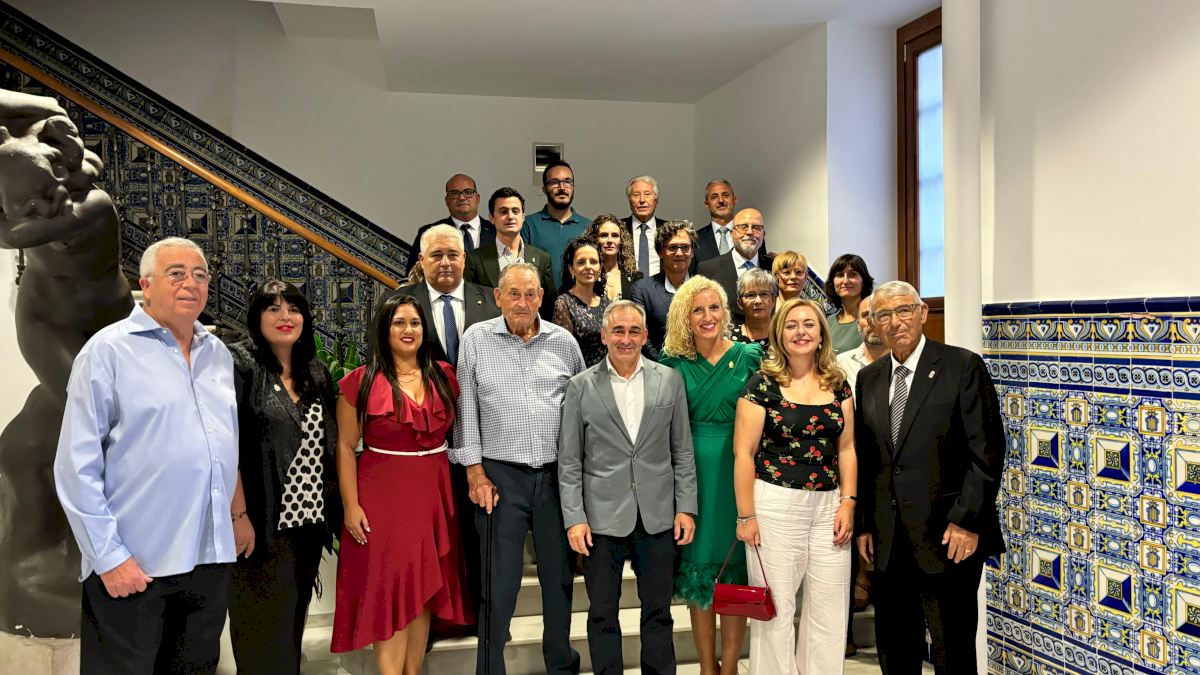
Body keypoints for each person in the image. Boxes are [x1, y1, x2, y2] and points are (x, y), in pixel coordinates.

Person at [54, 237, 237, 674]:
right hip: (135, 564)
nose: (190, 283)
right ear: (146, 285)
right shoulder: (108, 351)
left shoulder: (218, 354)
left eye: (200, 275)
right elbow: (76, 466)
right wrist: (108, 556)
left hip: (208, 562)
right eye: (176, 274)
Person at [854, 281, 1005, 674]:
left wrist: (967, 522)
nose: (895, 322)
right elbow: (869, 458)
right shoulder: (869, 378)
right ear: (873, 323)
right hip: (889, 539)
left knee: (952, 649)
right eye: (884, 315)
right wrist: (865, 524)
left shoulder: (962, 366)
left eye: (904, 310)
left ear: (922, 313)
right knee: (895, 648)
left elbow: (986, 452)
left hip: (948, 536)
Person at [453, 263, 586, 675]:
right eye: (514, 293)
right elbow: (465, 410)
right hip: (499, 478)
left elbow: (582, 410)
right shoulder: (476, 340)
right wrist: (475, 473)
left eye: (530, 294)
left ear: (541, 298)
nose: (522, 302)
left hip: (555, 478)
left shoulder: (564, 342)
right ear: (498, 297)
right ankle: (490, 669)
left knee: (558, 579)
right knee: (498, 583)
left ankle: (560, 664)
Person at [330, 294, 470, 674]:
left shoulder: (444, 376)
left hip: (433, 494)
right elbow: (345, 447)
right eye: (399, 323)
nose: (408, 330)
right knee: (391, 590)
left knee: (422, 590)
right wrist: (351, 505)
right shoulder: (360, 382)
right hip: (383, 497)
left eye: (415, 323)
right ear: (384, 329)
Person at [558, 300, 698, 675]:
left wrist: (686, 507)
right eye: (618, 331)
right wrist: (574, 518)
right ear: (604, 336)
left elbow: (682, 450)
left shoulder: (669, 380)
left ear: (645, 335)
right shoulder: (580, 386)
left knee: (659, 612)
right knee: (602, 613)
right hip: (601, 519)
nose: (626, 339)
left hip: (658, 515)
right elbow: (569, 461)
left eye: (634, 331)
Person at [733, 298, 858, 674]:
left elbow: (847, 448)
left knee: (830, 609)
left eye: (808, 324)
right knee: (776, 611)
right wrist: (746, 516)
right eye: (791, 325)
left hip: (829, 505)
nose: (800, 332)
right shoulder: (762, 385)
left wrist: (848, 501)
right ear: (779, 334)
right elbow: (743, 454)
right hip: (775, 504)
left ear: (822, 334)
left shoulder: (838, 385)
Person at [228, 280, 341, 674]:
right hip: (260, 524)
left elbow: (330, 444)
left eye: (293, 308)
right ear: (256, 316)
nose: (285, 317)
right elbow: (225, 446)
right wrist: (238, 515)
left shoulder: (315, 371)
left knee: (292, 626)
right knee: (259, 630)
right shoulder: (240, 365)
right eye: (273, 308)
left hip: (307, 525)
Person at [660, 276, 763, 675]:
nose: (708, 316)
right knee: (699, 572)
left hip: (739, 469)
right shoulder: (671, 364)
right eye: (698, 310)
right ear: (684, 318)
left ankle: (732, 667)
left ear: (725, 311)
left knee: (733, 569)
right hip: (692, 476)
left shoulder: (750, 356)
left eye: (714, 307)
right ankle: (707, 666)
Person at [835, 292, 888, 655]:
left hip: (889, 469)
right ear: (857, 323)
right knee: (847, 549)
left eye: (877, 314)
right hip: (851, 464)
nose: (870, 321)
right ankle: (844, 633)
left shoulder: (902, 362)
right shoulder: (841, 364)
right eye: (865, 315)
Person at [375, 224, 500, 366]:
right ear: (422, 260)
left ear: (464, 258)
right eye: (436, 255)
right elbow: (378, 360)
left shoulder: (494, 301)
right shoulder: (393, 302)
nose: (445, 263)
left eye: (453, 255)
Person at [463, 187, 557, 319]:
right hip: (490, 330)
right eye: (503, 211)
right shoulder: (475, 259)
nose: (510, 216)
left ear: (523, 216)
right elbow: (470, 306)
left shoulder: (542, 258)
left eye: (515, 211)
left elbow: (549, 306)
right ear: (491, 218)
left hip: (530, 330)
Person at [403, 174, 496, 277]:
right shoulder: (429, 233)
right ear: (446, 201)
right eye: (455, 193)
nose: (462, 198)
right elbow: (413, 277)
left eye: (468, 192)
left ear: (477, 198)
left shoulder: (498, 231)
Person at [628, 220, 695, 357]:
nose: (679, 253)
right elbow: (639, 335)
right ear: (659, 252)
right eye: (672, 247)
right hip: (657, 366)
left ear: (692, 252)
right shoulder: (642, 290)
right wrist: (663, 365)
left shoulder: (704, 289)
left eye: (685, 247)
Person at [696, 208, 773, 323]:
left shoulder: (774, 267)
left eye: (756, 227)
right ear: (732, 234)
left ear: (763, 235)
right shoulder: (708, 269)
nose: (749, 232)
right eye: (743, 227)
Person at [524, 159, 590, 282]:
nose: (562, 187)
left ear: (573, 187)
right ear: (544, 189)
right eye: (554, 182)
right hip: (539, 294)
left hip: (579, 294)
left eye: (567, 182)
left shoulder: (588, 226)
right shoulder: (528, 225)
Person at [552, 236, 611, 367]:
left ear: (600, 268)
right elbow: (563, 353)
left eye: (593, 262)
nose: (588, 267)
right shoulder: (564, 304)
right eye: (581, 262)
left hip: (608, 375)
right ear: (571, 269)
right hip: (579, 376)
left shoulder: (609, 305)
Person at [583, 213, 642, 300]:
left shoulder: (635, 278)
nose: (610, 240)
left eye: (615, 236)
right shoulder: (585, 274)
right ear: (594, 239)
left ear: (621, 241)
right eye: (604, 235)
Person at [824, 253, 874, 355]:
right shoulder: (828, 321)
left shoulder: (872, 320)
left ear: (863, 281)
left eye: (852, 274)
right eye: (840, 275)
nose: (845, 281)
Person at [621, 175, 669, 278]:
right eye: (636, 195)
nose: (642, 200)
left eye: (647, 194)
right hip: (627, 286)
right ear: (629, 200)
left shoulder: (669, 229)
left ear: (656, 200)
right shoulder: (618, 228)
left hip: (661, 285)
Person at [732, 268, 777, 350]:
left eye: (764, 294)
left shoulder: (785, 336)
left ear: (774, 300)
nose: (758, 301)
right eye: (751, 295)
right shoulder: (728, 340)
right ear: (740, 303)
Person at [694, 179, 737, 261]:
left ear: (734, 200)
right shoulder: (695, 240)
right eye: (714, 197)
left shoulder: (751, 235)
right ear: (707, 204)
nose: (721, 200)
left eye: (725, 195)